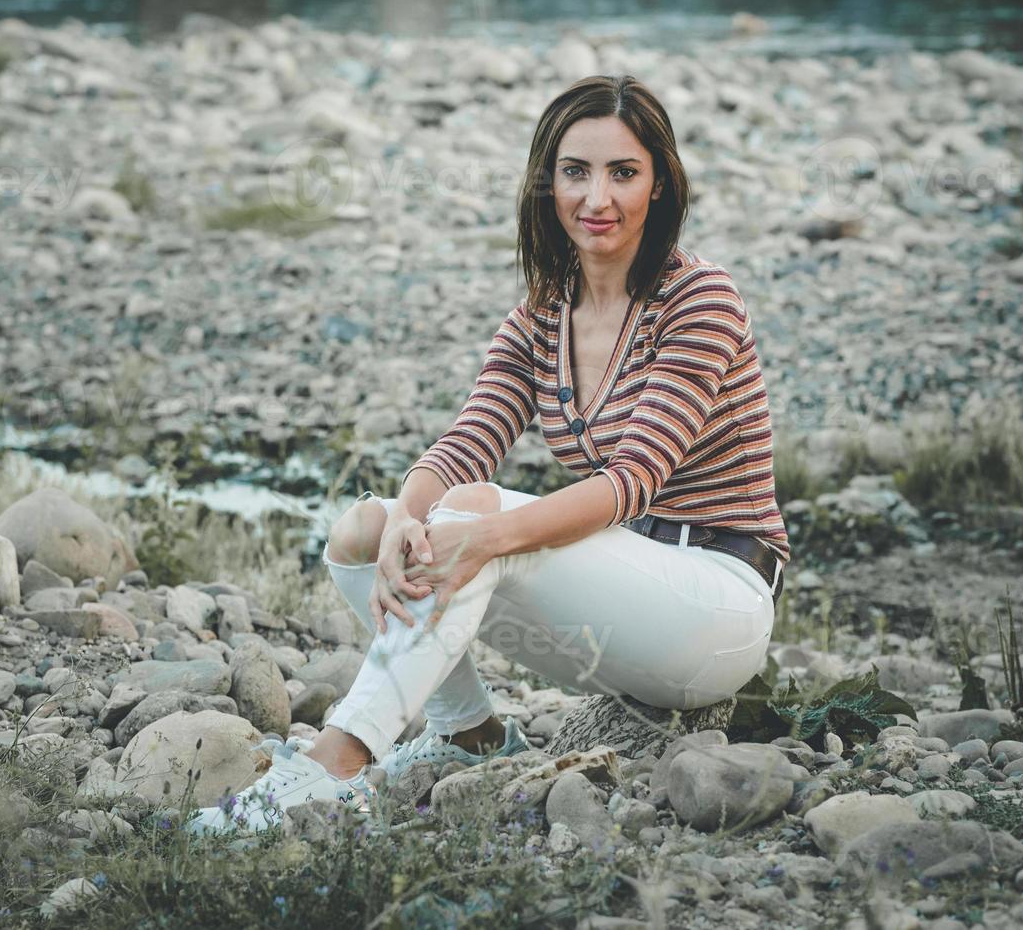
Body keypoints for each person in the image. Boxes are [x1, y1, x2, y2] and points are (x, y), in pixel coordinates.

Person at [187, 75, 791, 834]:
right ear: (548, 183)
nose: (596, 198)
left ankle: (335, 764)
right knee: (364, 531)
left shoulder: (699, 298)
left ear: (660, 184)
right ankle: (470, 735)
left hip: (716, 606)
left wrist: (483, 533)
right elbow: (468, 441)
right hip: (621, 608)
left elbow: (635, 479)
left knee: (476, 515)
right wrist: (410, 517)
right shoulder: (542, 315)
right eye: (575, 171)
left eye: (623, 173)